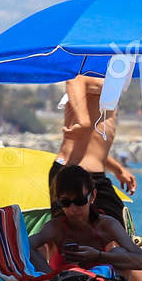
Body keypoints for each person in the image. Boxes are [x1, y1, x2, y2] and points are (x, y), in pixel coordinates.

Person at [28, 165, 142, 281]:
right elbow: (25, 246)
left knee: (120, 252)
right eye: (65, 202)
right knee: (34, 248)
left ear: (92, 196)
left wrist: (99, 255)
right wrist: (52, 278)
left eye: (79, 201)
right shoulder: (55, 228)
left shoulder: (106, 225)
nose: (73, 208)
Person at [49, 74, 136, 223]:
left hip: (83, 172)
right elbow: (75, 80)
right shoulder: (96, 77)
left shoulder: (104, 84)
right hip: (76, 173)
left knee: (109, 231)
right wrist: (84, 122)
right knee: (113, 231)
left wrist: (117, 169)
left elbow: (92, 145)